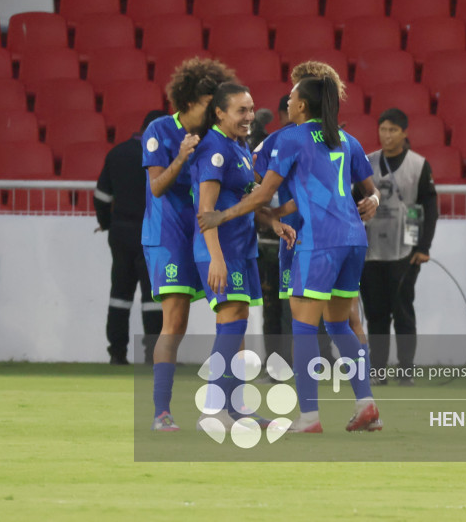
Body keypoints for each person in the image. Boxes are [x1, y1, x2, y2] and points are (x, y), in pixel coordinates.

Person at [199, 75, 382, 433]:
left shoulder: (288, 139)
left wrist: (223, 214)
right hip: (354, 239)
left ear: (301, 105)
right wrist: (372, 202)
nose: (286, 102)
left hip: (317, 241)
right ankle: (367, 404)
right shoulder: (347, 139)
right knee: (339, 324)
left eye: (292, 97)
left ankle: (309, 417)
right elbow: (371, 192)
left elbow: (260, 191)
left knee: (302, 327)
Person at [190, 82, 295, 429]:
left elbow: (246, 197)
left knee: (236, 327)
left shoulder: (238, 146)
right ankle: (215, 405)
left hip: (242, 248)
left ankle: (236, 408)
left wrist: (272, 222)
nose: (250, 116)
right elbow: (206, 211)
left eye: (251, 109)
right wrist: (216, 259)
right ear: (219, 112)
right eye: (241, 110)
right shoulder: (214, 150)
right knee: (232, 321)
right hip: (221, 251)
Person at [144, 57, 236, 431]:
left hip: (208, 235)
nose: (215, 111)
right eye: (208, 103)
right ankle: (161, 413)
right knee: (175, 322)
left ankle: (232, 407)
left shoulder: (217, 138)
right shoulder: (160, 130)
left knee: (233, 317)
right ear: (189, 100)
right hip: (169, 237)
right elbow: (157, 187)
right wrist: (181, 157)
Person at [357, 108, 438, 386]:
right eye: (383, 129)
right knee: (376, 314)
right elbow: (353, 201)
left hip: (406, 249)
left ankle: (406, 371)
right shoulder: (366, 162)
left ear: (404, 133)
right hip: (370, 250)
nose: (387, 135)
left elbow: (430, 208)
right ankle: (378, 371)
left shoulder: (418, 164)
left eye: (393, 130)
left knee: (403, 311)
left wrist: (423, 246)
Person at [94, 109, 166, 365]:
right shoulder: (165, 158)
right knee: (153, 297)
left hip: (121, 232)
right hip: (154, 235)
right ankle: (154, 355)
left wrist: (106, 223)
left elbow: (101, 197)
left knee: (120, 294)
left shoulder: (118, 153)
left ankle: (117, 352)